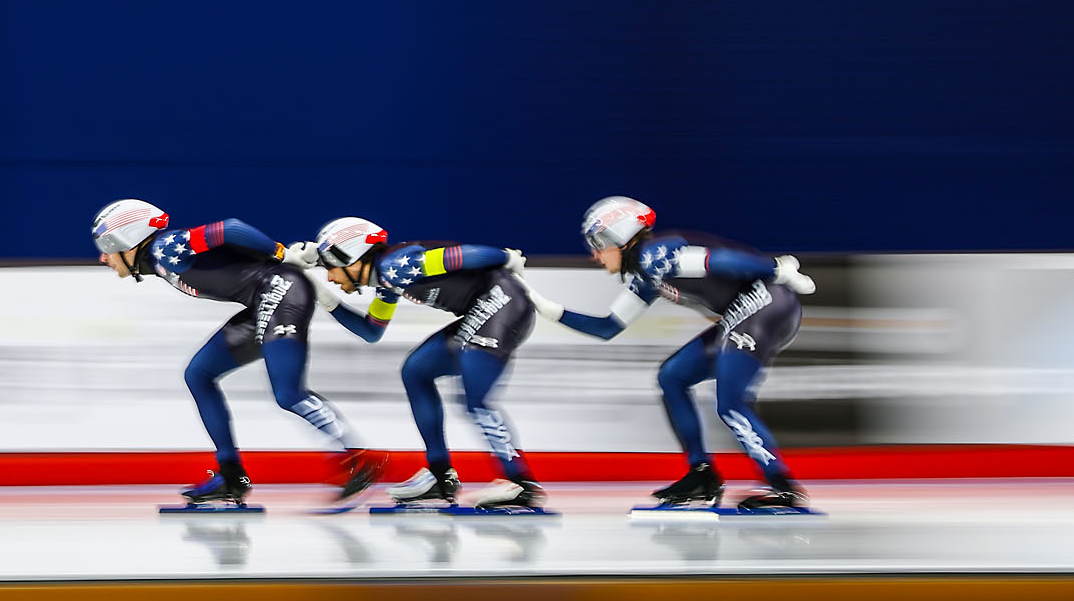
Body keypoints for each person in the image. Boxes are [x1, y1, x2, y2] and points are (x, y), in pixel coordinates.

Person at [515, 196, 816, 509]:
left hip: (764, 302)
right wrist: (547, 308)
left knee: (729, 402)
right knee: (673, 376)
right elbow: (608, 327)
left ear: (618, 235)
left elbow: (717, 260)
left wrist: (777, 269)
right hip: (749, 310)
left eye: (597, 243)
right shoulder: (647, 273)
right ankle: (701, 474)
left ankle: (783, 486)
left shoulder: (655, 255)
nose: (594, 254)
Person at [91, 199, 383, 506]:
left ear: (125, 240)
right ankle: (231, 474)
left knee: (288, 393)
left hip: (281, 291)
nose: (103, 257)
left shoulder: (165, 248)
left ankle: (360, 459)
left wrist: (281, 253)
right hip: (265, 300)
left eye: (106, 246)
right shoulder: (161, 260)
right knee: (199, 374)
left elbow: (230, 228)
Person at [283, 217, 543, 509]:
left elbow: (467, 255)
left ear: (351, 257)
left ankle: (520, 482)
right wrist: (323, 296)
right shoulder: (386, 279)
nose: (330, 277)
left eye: (331, 268)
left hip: (503, 304)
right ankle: (440, 474)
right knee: (416, 371)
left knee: (475, 400)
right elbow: (371, 331)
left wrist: (508, 257)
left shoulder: (396, 265)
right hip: (485, 310)